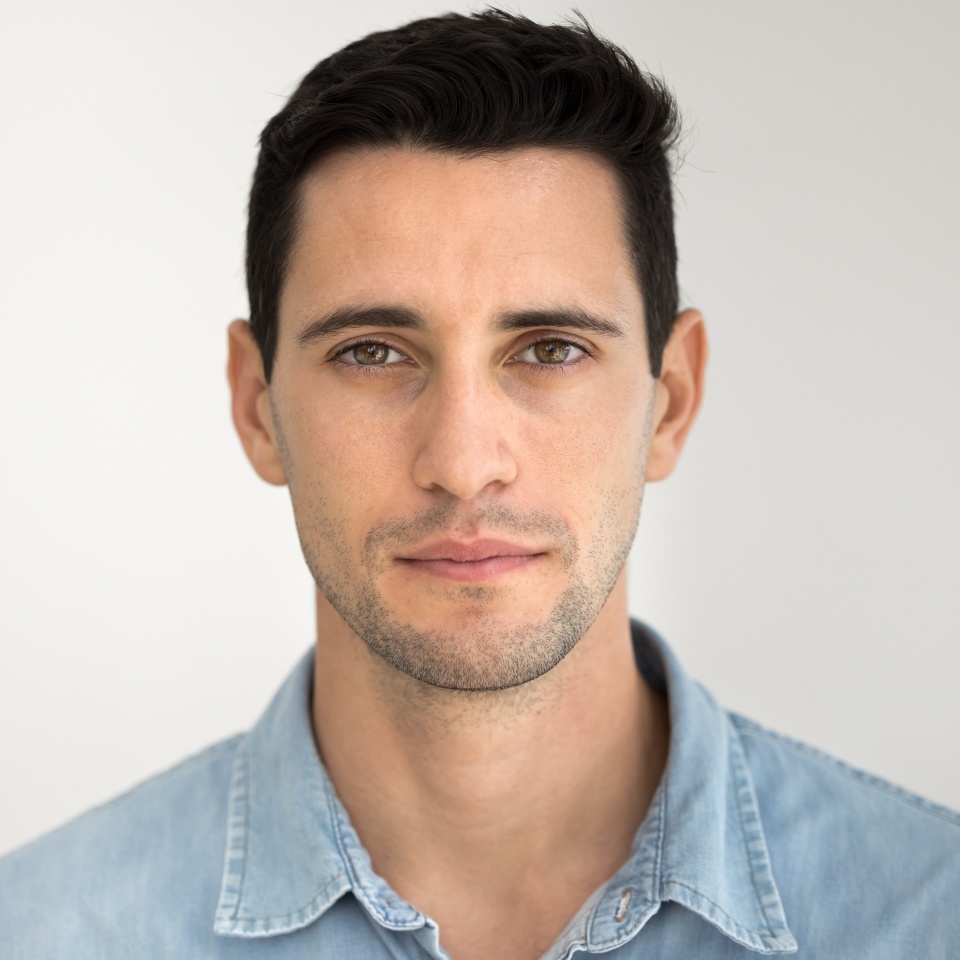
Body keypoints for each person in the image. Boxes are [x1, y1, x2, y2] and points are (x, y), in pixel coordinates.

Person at [1, 9, 957, 959]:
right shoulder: (44, 933)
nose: (462, 465)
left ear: (669, 401)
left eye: (549, 349)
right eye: (373, 351)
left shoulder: (929, 917)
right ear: (258, 407)